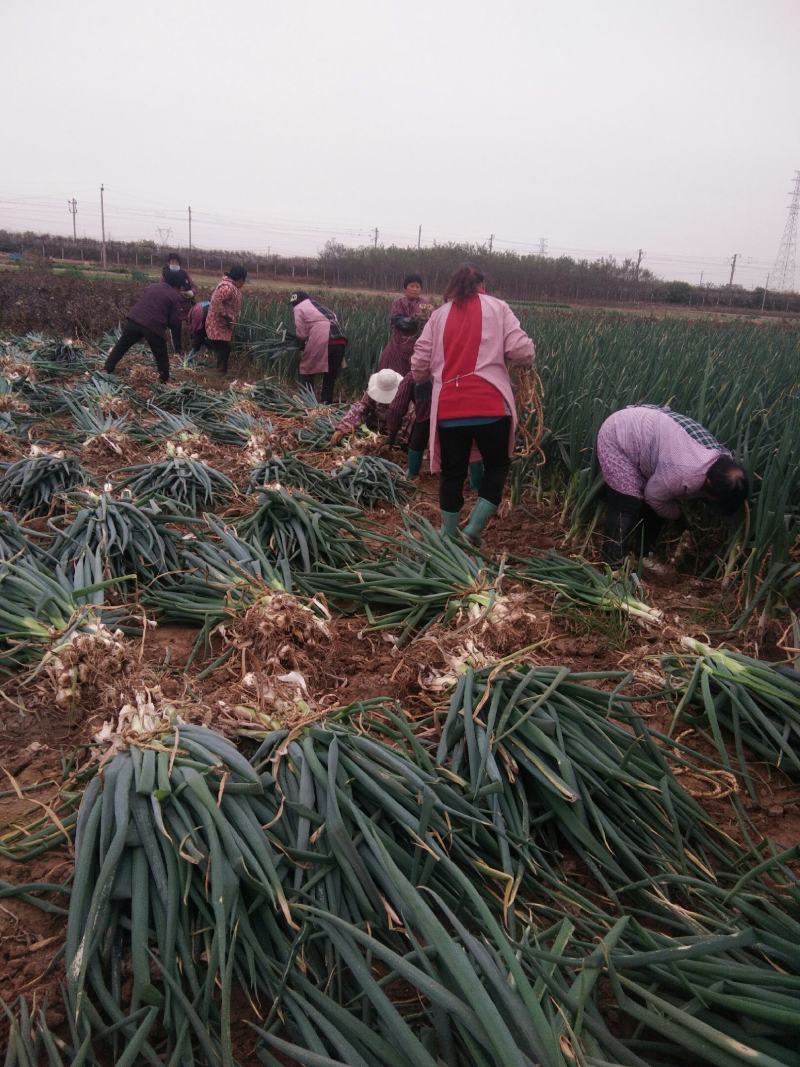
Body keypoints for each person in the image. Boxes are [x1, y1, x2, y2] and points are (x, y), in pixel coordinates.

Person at [411, 264, 535, 545]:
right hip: (491, 406)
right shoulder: (498, 307)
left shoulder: (439, 315)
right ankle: (472, 532)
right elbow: (521, 350)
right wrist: (525, 361)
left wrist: (422, 376)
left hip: (449, 409)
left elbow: (420, 360)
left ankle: (449, 534)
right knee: (497, 467)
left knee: (452, 473)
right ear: (482, 285)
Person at [596, 404, 749, 565]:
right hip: (619, 435)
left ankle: (643, 554)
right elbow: (653, 497)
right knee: (627, 503)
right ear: (708, 482)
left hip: (645, 429)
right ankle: (612, 562)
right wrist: (677, 514)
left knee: (659, 505)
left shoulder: (722, 459)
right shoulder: (684, 473)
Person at [104, 270, 186, 383]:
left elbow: (146, 301)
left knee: (122, 345)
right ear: (177, 285)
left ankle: (107, 368)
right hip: (153, 327)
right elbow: (174, 322)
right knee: (161, 354)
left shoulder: (152, 287)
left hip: (134, 320)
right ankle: (164, 379)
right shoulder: (175, 296)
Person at [289, 291, 347, 404]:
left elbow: (301, 333)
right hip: (340, 341)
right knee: (330, 376)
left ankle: (308, 402)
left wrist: (302, 348)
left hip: (323, 339)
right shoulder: (322, 307)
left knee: (306, 370)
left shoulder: (298, 308)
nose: (293, 306)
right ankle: (326, 404)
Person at [330, 368, 404, 444]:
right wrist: (343, 427)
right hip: (375, 428)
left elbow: (405, 426)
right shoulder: (373, 391)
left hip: (394, 435)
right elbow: (360, 410)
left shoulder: (404, 396)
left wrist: (391, 439)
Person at [379, 273, 433, 376]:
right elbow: (398, 321)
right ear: (405, 288)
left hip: (418, 348)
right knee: (395, 377)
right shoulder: (398, 303)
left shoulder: (426, 304)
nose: (414, 289)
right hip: (398, 348)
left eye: (417, 287)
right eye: (411, 286)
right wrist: (414, 319)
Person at [206, 265, 247, 374]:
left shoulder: (232, 287)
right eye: (244, 281)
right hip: (218, 324)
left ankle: (221, 371)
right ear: (240, 279)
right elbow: (216, 302)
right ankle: (221, 373)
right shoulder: (227, 287)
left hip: (223, 325)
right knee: (224, 349)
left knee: (224, 349)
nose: (244, 284)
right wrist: (226, 316)